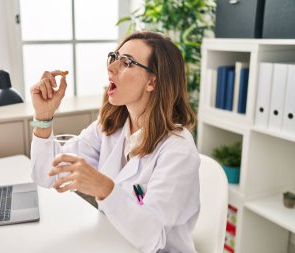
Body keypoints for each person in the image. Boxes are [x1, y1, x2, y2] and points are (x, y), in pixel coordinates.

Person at [30, 31, 200, 253]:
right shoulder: (110, 126)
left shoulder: (178, 149)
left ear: (152, 81)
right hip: (111, 243)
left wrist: (104, 188)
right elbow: (47, 174)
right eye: (114, 57)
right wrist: (43, 117)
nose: (111, 67)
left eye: (126, 63)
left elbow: (152, 237)